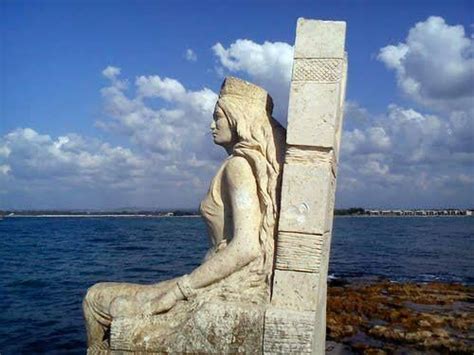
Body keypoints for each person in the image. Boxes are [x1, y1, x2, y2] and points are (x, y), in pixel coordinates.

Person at [83, 77, 286, 349]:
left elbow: (247, 246)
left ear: (238, 119)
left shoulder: (238, 166)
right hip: (211, 276)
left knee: (95, 299)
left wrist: (178, 291)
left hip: (219, 282)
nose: (212, 126)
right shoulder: (240, 164)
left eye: (218, 117)